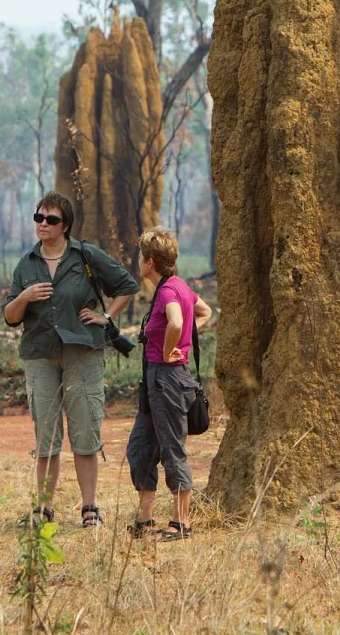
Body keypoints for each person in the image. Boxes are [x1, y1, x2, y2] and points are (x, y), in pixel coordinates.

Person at [4, 191, 139, 528]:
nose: (43, 225)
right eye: (39, 218)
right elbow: (9, 316)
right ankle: (44, 507)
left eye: (51, 219)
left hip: (83, 353)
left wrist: (105, 316)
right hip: (40, 355)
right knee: (46, 435)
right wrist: (25, 296)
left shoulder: (85, 256)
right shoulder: (26, 264)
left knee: (84, 430)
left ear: (65, 226)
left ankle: (90, 507)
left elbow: (127, 285)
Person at [125, 227, 212, 541]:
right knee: (140, 448)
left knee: (172, 450)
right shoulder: (178, 287)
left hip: (168, 379)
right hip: (154, 381)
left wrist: (170, 345)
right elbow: (204, 311)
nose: (139, 262)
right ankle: (144, 519)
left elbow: (175, 320)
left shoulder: (167, 292)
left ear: (150, 262)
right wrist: (185, 334)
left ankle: (181, 523)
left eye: (141, 257)